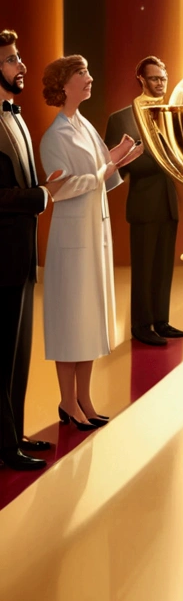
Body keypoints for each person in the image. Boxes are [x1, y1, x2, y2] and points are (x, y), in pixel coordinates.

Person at [40, 56, 144, 430]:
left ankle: (83, 397)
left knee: (89, 318)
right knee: (70, 319)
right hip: (71, 239)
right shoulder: (54, 136)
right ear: (64, 85)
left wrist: (118, 157)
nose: (90, 78)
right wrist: (105, 168)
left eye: (87, 72)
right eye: (81, 74)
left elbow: (102, 174)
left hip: (94, 234)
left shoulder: (83, 125)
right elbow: (60, 188)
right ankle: (67, 402)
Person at [0, 31, 66, 470]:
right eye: (10, 59)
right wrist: (43, 195)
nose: (21, 65)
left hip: (21, 255)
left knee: (18, 356)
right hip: (1, 257)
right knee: (1, 358)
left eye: (18, 57)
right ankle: (6, 450)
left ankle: (13, 434)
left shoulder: (16, 118)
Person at [105, 56, 183, 347]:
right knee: (143, 268)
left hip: (168, 202)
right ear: (141, 79)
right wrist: (159, 162)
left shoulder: (171, 113)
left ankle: (161, 321)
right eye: (154, 78)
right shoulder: (122, 118)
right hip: (142, 202)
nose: (160, 83)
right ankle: (141, 325)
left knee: (163, 266)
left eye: (163, 78)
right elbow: (116, 165)